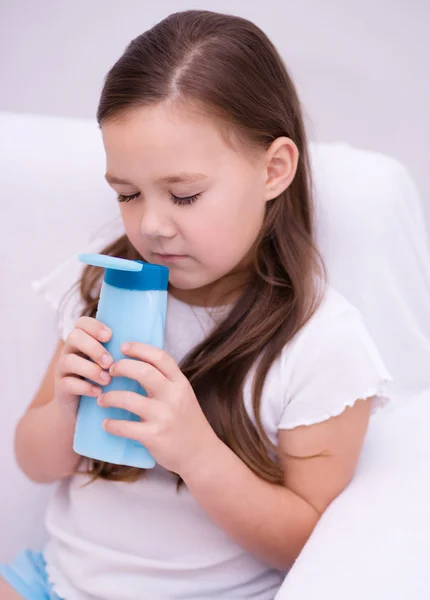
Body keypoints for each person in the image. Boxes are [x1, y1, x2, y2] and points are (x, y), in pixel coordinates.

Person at [0, 9, 392, 600]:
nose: (151, 225)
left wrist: (198, 454)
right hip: (54, 585)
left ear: (274, 169)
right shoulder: (104, 288)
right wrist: (63, 408)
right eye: (127, 194)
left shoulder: (321, 343)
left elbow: (315, 544)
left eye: (184, 195)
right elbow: (33, 462)